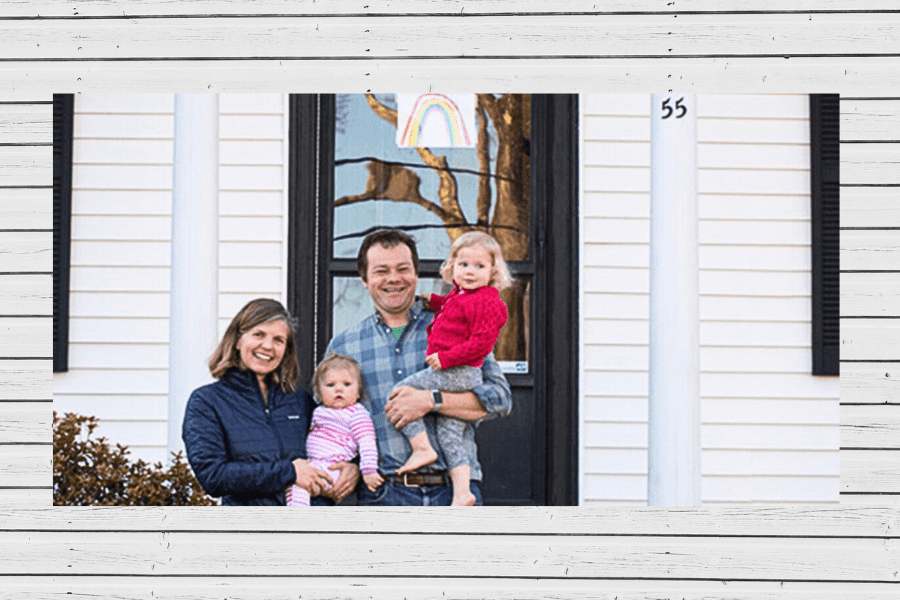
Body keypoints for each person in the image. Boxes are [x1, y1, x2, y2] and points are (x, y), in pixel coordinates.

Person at [327, 228, 513, 506]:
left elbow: (500, 399)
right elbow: (333, 423)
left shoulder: (455, 324)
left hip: (455, 492)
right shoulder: (344, 347)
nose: (393, 278)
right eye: (381, 271)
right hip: (384, 496)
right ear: (364, 279)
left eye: (403, 268)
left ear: (415, 274)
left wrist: (431, 400)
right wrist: (352, 465)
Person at [182, 298, 356, 506]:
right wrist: (289, 472)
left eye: (278, 340)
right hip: (250, 532)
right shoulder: (207, 402)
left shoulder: (299, 401)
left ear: (286, 350)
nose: (267, 346)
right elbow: (213, 476)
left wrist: (353, 467)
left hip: (310, 529)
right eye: (258, 335)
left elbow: (339, 437)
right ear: (237, 340)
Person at [392, 231, 511, 506]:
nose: (470, 272)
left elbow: (481, 344)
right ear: (452, 267)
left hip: (457, 372)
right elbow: (451, 307)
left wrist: (446, 359)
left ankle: (421, 448)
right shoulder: (462, 296)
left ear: (493, 271)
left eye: (479, 266)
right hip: (456, 371)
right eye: (463, 265)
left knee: (401, 391)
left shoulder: (485, 301)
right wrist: (432, 302)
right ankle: (462, 493)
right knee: (450, 434)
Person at [286, 353, 382, 506]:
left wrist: (368, 470)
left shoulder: (356, 414)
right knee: (296, 484)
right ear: (319, 393)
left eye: (346, 384)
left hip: (335, 467)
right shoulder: (318, 411)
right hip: (315, 464)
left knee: (299, 486)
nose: (338, 389)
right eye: (330, 385)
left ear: (358, 392)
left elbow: (367, 442)